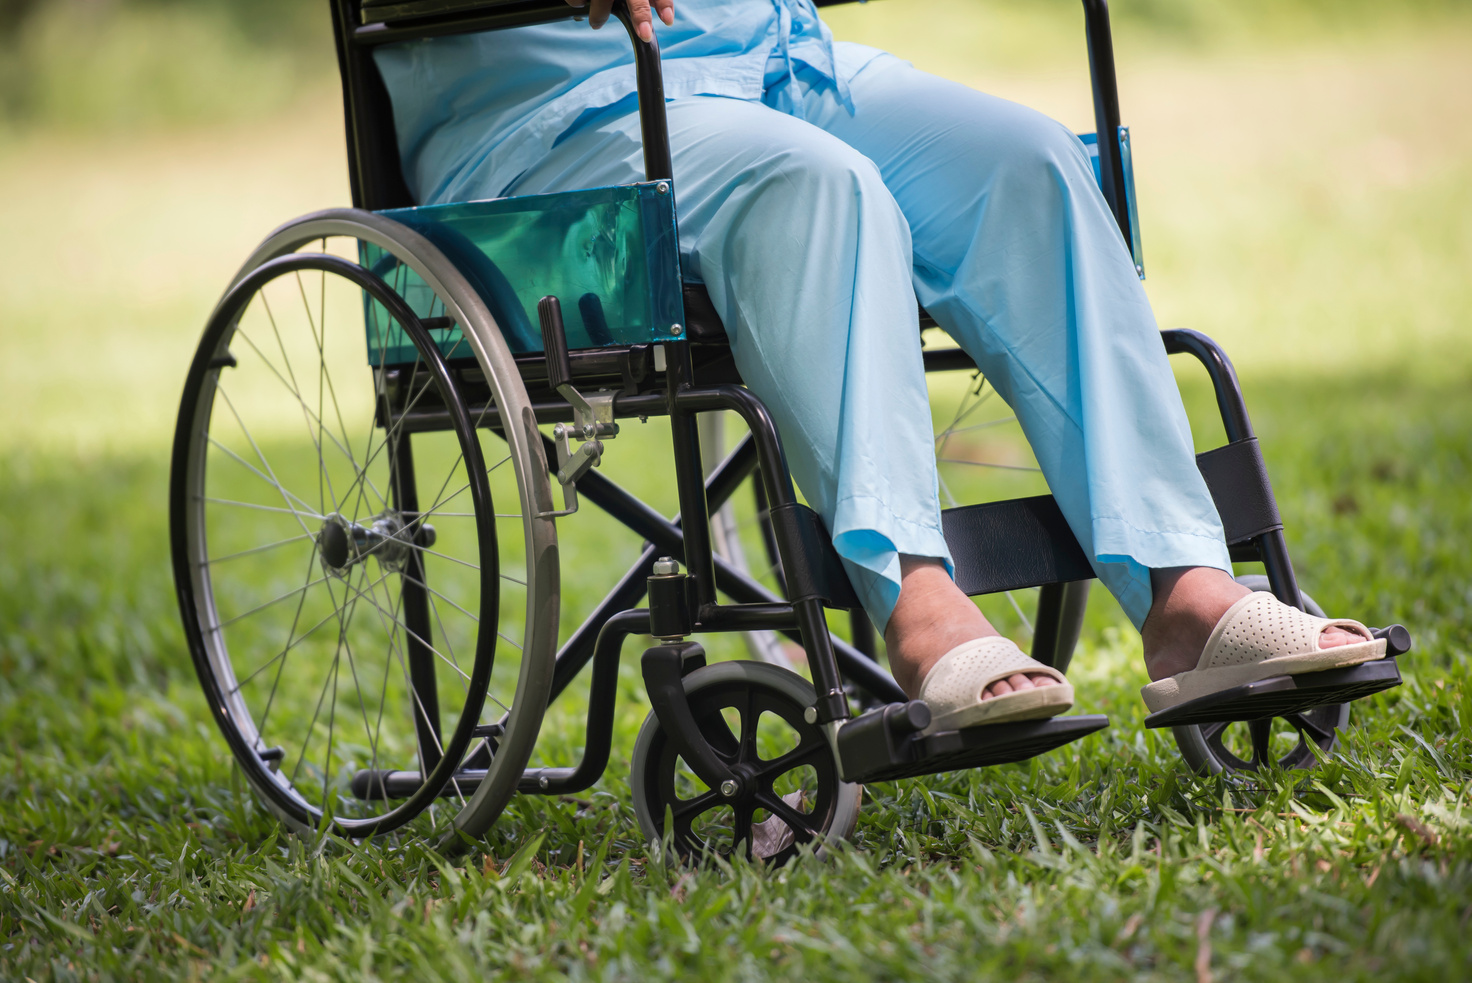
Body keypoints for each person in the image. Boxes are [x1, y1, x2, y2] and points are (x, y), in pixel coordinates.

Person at [374, 0, 1386, 729]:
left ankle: (1185, 591)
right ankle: (913, 602)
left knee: (1024, 161)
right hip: (550, 107)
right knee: (815, 186)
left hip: (774, 57)